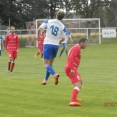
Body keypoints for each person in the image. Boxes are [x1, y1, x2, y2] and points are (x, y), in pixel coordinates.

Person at [37, 10, 66, 85]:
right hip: (55, 46)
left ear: (56, 15)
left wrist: (38, 37)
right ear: (62, 18)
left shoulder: (48, 21)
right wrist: (57, 42)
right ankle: (45, 80)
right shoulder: (63, 26)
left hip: (47, 44)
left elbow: (39, 29)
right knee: (50, 64)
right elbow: (63, 39)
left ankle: (55, 74)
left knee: (46, 64)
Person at [65, 38, 88, 106]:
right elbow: (71, 57)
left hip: (72, 68)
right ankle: (72, 101)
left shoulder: (76, 47)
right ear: (81, 43)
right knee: (78, 84)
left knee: (80, 82)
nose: (86, 45)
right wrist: (72, 69)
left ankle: (74, 97)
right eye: (86, 43)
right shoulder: (76, 48)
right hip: (70, 68)